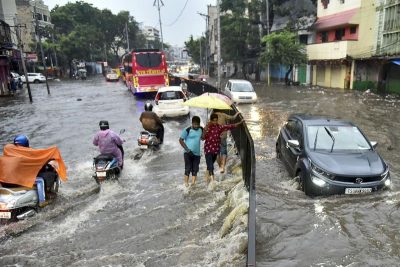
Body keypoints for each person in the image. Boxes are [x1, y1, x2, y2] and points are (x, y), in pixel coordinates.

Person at [202, 113, 244, 183]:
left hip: (215, 150)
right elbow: (202, 138)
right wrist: (204, 130)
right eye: (213, 121)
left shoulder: (219, 127)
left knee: (210, 164)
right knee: (210, 165)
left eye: (216, 120)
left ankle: (207, 176)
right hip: (208, 149)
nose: (215, 122)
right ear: (211, 120)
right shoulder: (207, 127)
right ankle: (212, 181)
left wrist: (240, 122)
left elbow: (230, 126)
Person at [12, 134, 46, 207]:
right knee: (40, 181)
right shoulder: (27, 154)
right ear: (26, 143)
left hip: (10, 179)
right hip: (21, 179)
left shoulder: (11, 152)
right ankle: (42, 202)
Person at [179, 116, 203, 187]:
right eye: (194, 124)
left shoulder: (201, 129)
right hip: (187, 153)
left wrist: (206, 129)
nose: (196, 126)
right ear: (192, 123)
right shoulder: (187, 130)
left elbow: (203, 138)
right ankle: (186, 184)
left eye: (197, 124)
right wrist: (187, 150)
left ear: (199, 124)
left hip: (197, 153)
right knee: (188, 168)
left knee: (195, 169)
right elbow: (180, 140)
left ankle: (193, 184)